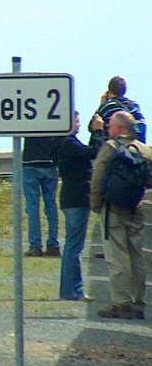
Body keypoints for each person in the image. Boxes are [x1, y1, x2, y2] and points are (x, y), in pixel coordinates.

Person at [90, 110, 152, 319]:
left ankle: (121, 303)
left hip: (113, 209)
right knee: (136, 254)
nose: (108, 129)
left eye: (110, 126)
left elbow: (98, 178)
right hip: (136, 207)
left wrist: (97, 205)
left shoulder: (111, 148)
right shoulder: (145, 149)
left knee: (117, 256)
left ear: (118, 128)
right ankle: (138, 301)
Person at [56, 111, 100, 300]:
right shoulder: (68, 144)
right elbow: (93, 151)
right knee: (74, 247)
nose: (79, 124)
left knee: (74, 246)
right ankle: (71, 290)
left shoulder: (67, 144)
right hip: (75, 200)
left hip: (74, 199)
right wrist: (97, 132)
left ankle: (74, 289)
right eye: (76, 120)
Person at [22, 135, 61, 256]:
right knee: (51, 204)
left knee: (32, 205)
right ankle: (53, 244)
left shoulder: (30, 118)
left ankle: (35, 245)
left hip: (30, 162)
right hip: (50, 162)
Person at [90, 76, 145, 144]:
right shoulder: (135, 106)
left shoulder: (107, 106)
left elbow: (92, 126)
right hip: (136, 146)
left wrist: (102, 104)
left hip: (115, 147)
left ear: (109, 91)